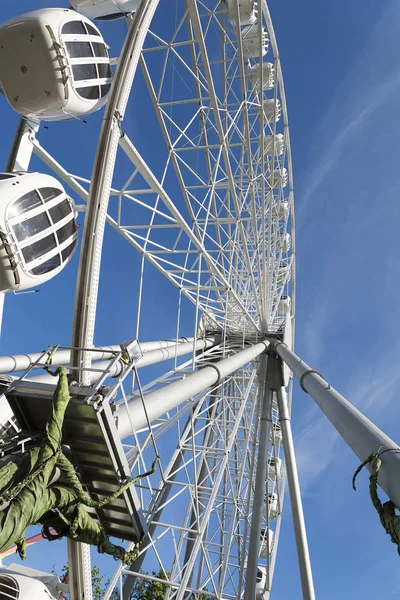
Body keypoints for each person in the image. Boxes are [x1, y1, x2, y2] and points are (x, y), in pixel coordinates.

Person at [0, 366, 157, 563]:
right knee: (67, 514)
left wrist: (62, 391)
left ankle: (115, 551)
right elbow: (51, 444)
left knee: (67, 515)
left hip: (33, 486)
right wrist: (62, 392)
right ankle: (116, 551)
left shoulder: (16, 515)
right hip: (35, 487)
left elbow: (50, 448)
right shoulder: (17, 515)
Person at [369, 456, 400, 554]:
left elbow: (374, 496)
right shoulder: (386, 521)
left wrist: (374, 474)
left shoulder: (386, 521)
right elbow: (374, 497)